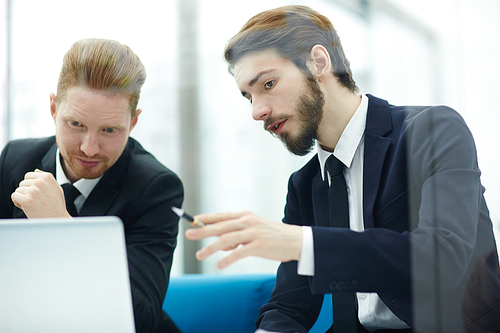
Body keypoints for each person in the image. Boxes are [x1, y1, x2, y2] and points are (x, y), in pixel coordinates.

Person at [185, 5, 499, 333]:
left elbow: (443, 259)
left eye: (267, 84)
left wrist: (303, 243)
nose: (257, 111)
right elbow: (289, 305)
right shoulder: (305, 185)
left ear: (318, 63)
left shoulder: (433, 130)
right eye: (248, 97)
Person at [0, 38, 184, 333]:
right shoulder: (15, 159)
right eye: (76, 124)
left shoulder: (157, 187)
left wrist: (60, 227)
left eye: (109, 130)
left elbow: (141, 318)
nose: (89, 148)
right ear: (53, 108)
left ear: (133, 123)